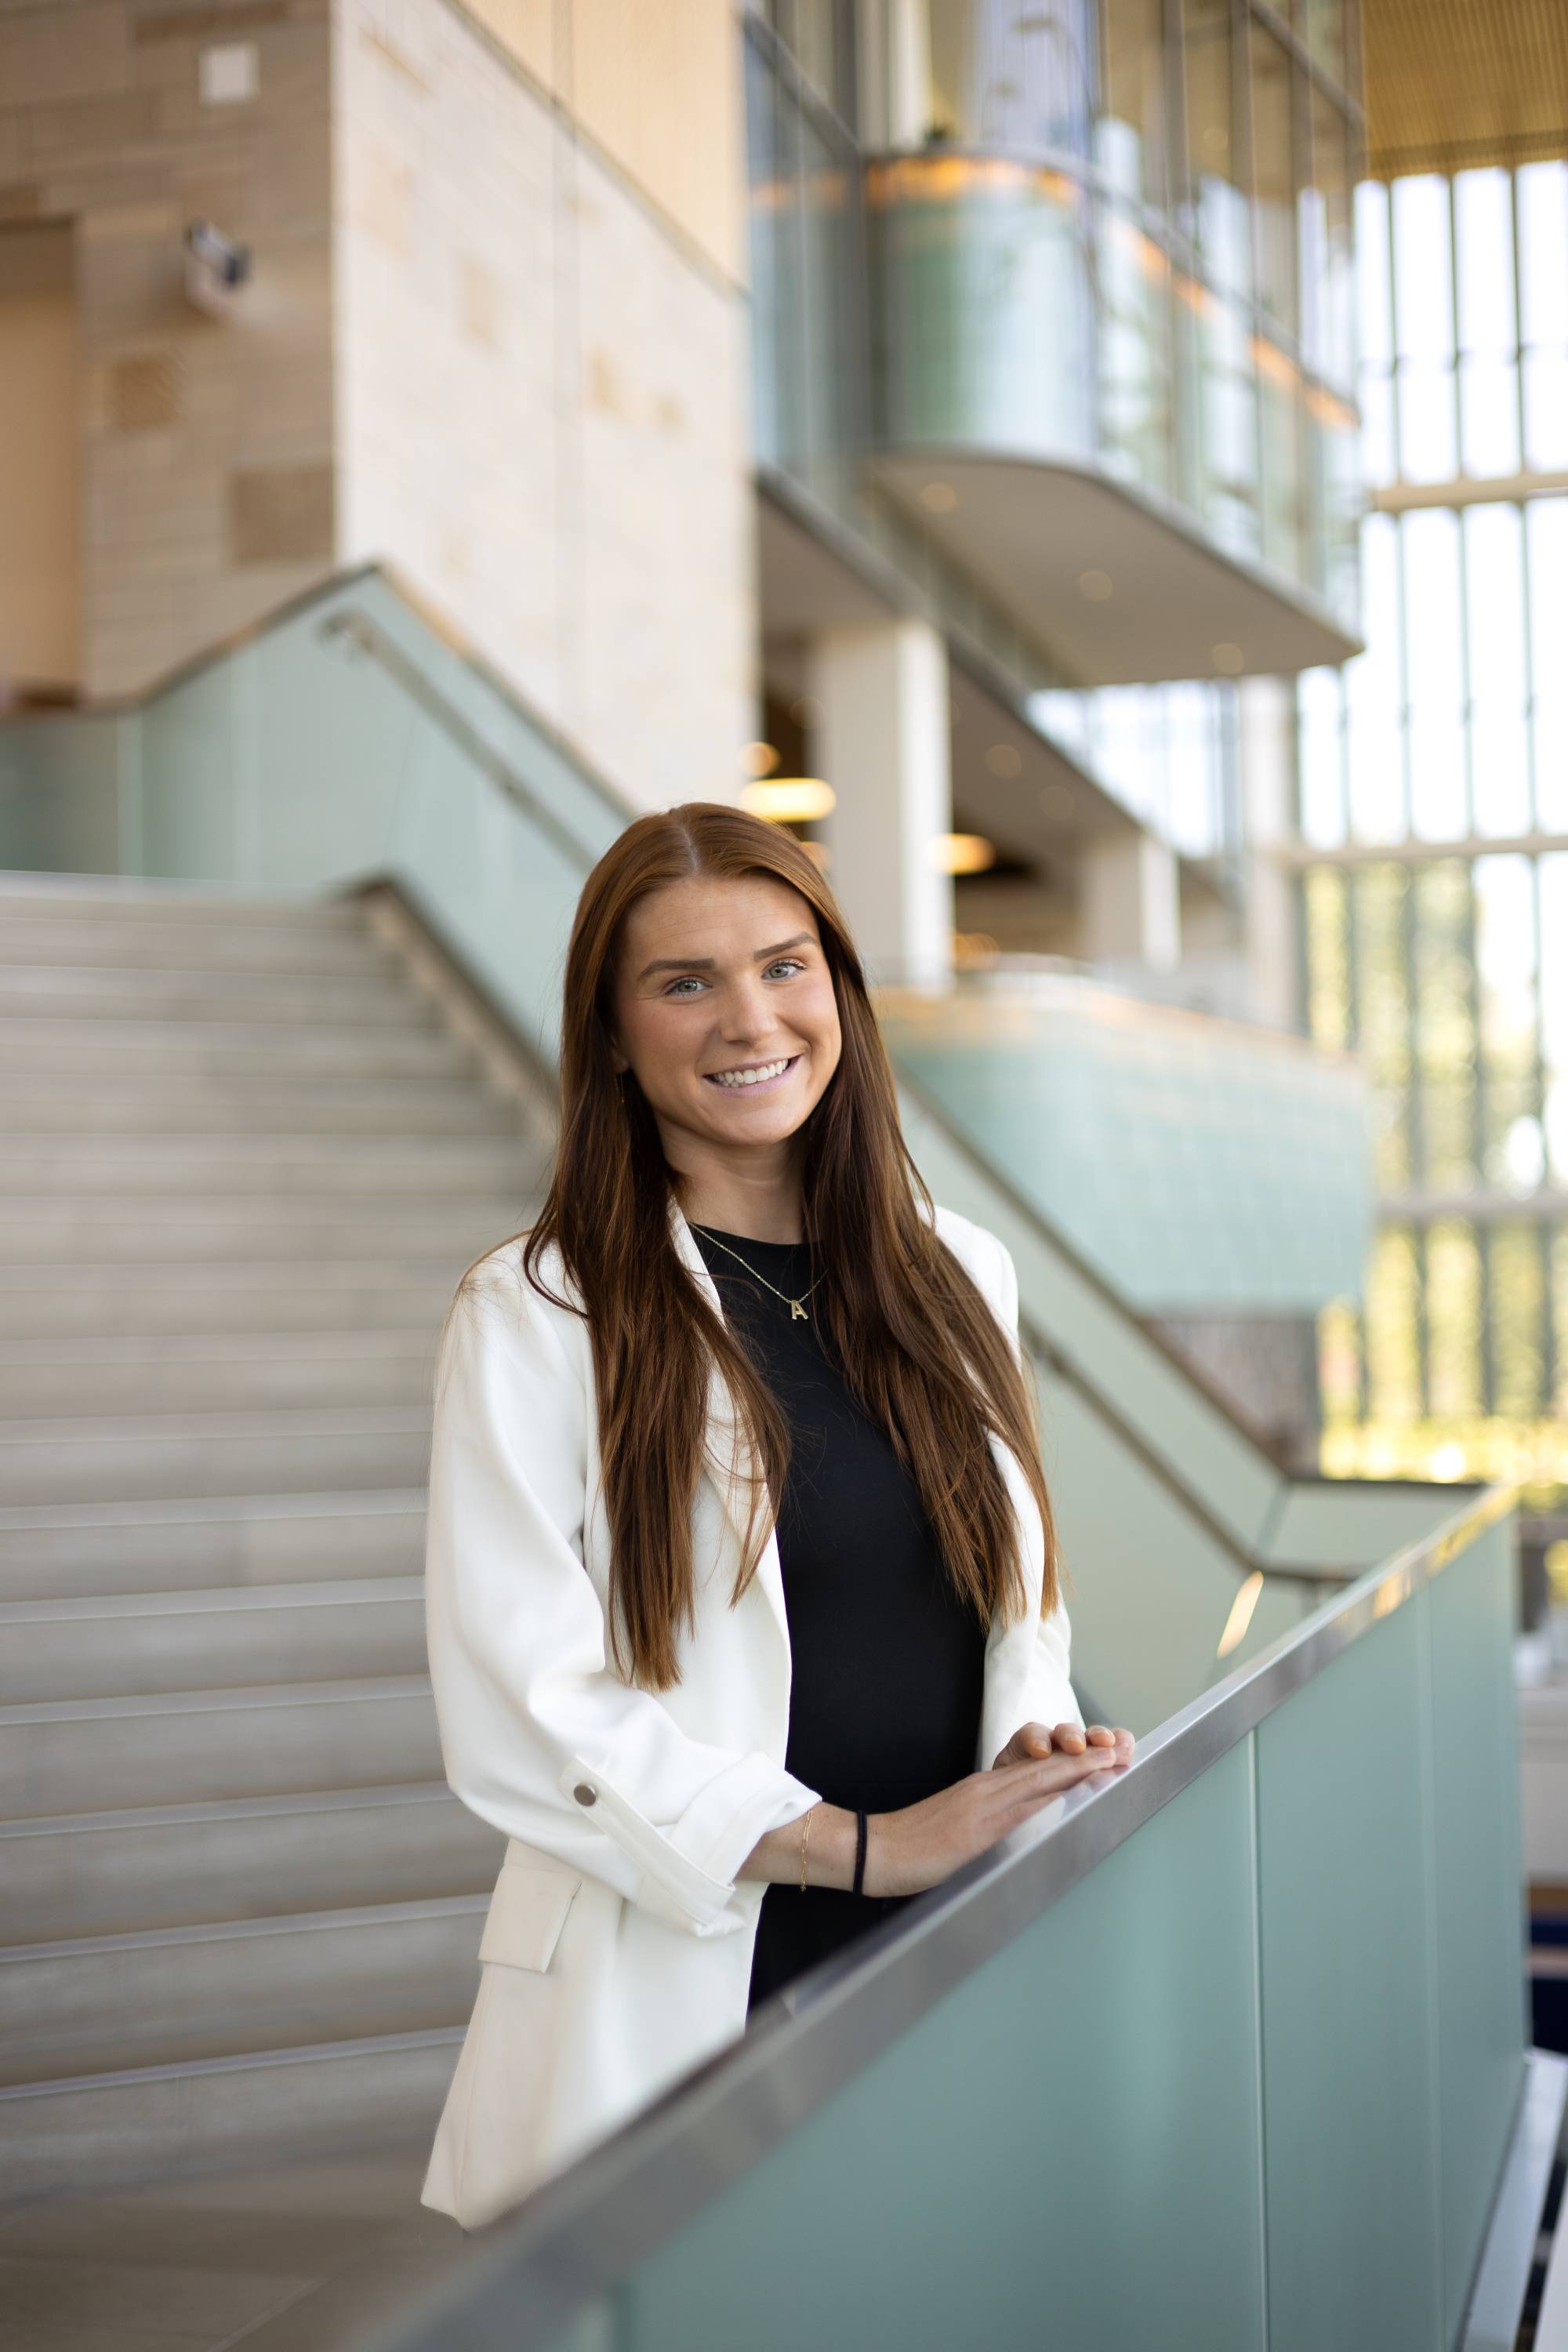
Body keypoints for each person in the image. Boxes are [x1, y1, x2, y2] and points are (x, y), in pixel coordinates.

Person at [419, 803, 1134, 2231]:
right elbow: (522, 1702)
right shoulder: (542, 1308)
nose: (750, 1016)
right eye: (684, 982)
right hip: (704, 1949)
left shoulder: (958, 1272)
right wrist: (859, 1846)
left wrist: (1031, 1742)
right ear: (615, 1037)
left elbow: (1017, 1604)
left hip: (944, 1944)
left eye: (785, 965)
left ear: (843, 997)